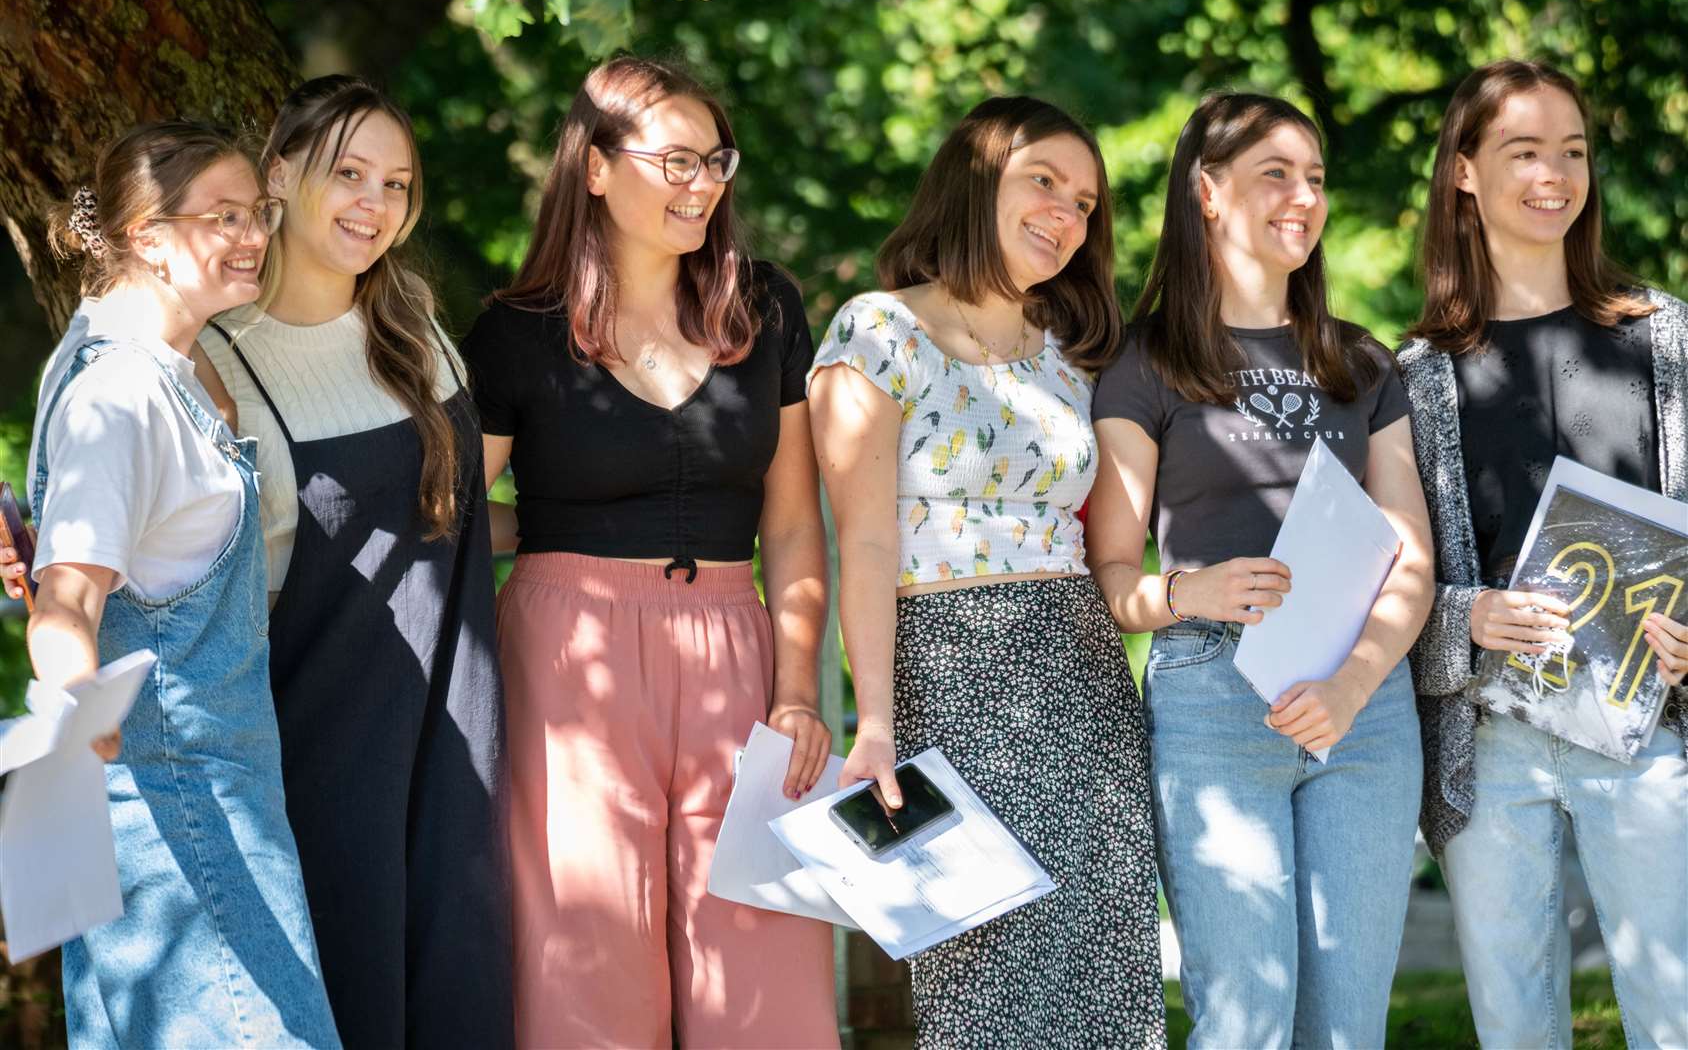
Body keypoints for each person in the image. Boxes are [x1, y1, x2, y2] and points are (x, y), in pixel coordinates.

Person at [460, 56, 837, 1048]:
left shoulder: (764, 307)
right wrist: (547, 539)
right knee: (584, 958)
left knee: (764, 961)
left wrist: (796, 690)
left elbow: (792, 521)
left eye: (714, 161)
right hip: (567, 657)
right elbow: (452, 514)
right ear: (594, 168)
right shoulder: (516, 332)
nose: (702, 183)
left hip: (734, 649)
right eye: (674, 161)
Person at [809, 95, 1167, 1048]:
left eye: (1086, 202)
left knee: (1104, 957)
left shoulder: (1075, 352)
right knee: (985, 965)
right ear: (975, 183)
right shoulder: (877, 330)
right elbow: (867, 543)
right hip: (951, 668)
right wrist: (876, 719)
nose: (1067, 214)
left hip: (1084, 670)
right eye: (1043, 181)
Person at [1086, 92, 1434, 1048]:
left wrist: (1354, 684)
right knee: (1245, 1024)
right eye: (1275, 173)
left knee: (1348, 1027)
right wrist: (1183, 593)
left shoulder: (1364, 363)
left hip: (1362, 710)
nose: (1304, 197)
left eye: (1315, 178)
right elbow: (1111, 568)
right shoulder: (1145, 365)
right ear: (1207, 190)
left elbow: (1412, 553)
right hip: (1212, 698)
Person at [182, 76, 513, 1049]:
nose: (375, 203)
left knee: (457, 991)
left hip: (455, 737)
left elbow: (450, 531)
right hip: (317, 754)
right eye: (350, 173)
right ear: (278, 174)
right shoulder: (214, 358)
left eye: (397, 185)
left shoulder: (415, 332)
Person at [22, 120, 339, 1048]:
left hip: (210, 808)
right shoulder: (120, 393)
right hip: (177, 822)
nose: (254, 236)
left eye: (260, 213)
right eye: (224, 217)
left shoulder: (155, 358)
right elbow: (67, 601)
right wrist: (79, 697)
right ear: (149, 238)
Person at [1400, 58, 1688, 1049]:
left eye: (1570, 151)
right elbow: (1396, 583)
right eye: (1521, 151)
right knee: (1514, 1027)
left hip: (1641, 727)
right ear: (1463, 174)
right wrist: (1466, 616)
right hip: (1488, 746)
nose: (1552, 175)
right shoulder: (1418, 376)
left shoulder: (1664, 341)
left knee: (1675, 1014)